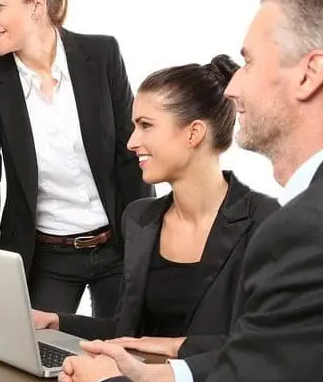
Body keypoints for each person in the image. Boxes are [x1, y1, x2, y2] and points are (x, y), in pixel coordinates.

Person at [58, 0, 323, 381]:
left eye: (249, 62)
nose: (232, 87)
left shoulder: (304, 224)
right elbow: (279, 352)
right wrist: (156, 373)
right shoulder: (142, 218)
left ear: (309, 74)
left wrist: (112, 379)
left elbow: (258, 364)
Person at [0, 0, 153, 331]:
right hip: (46, 256)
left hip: (117, 247)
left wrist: (146, 248)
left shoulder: (101, 54)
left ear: (37, 4)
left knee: (125, 350)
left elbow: (131, 158)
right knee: (30, 356)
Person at [29, 55, 278, 356]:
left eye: (146, 126)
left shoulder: (265, 222)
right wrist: (55, 322)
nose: (132, 141)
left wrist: (175, 347)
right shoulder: (140, 218)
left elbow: (273, 344)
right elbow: (128, 333)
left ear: (193, 133)